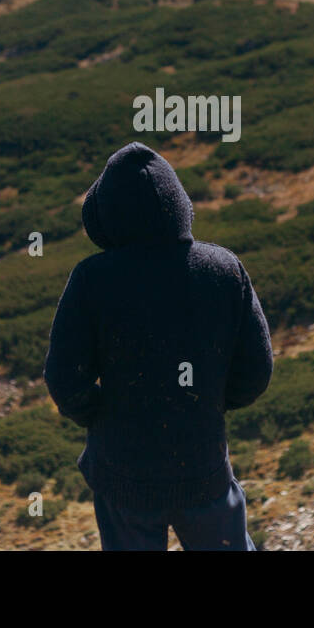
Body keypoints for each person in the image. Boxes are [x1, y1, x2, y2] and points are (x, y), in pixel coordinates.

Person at [44, 141, 273, 550]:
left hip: (122, 473)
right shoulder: (223, 269)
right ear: (179, 204)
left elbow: (65, 380)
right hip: (202, 465)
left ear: (105, 214)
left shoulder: (93, 280)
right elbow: (256, 371)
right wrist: (207, 405)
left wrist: (103, 416)